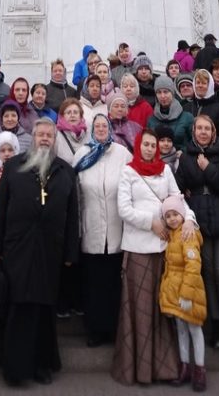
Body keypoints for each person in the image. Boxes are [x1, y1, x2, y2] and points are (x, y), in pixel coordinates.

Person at [0, 118, 79, 387]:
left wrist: (70, 252)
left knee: (44, 308)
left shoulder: (65, 171)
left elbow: (72, 215)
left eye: (49, 135)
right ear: (33, 137)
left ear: (54, 139)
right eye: (40, 134)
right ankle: (15, 368)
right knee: (18, 306)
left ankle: (41, 364)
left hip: (50, 250)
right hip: (17, 248)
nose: (45, 139)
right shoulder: (14, 166)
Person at [112, 129, 196, 385]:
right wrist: (151, 222)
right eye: (145, 144)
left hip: (163, 249)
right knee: (140, 309)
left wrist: (189, 219)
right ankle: (139, 368)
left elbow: (177, 199)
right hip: (138, 248)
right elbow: (124, 209)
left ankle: (165, 366)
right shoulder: (128, 172)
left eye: (153, 145)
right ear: (138, 146)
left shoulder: (165, 170)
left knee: (163, 308)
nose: (149, 148)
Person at [176, 114, 219, 353]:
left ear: (213, 132)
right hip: (198, 220)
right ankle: (217, 325)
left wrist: (208, 168)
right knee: (208, 274)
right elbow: (178, 186)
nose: (203, 132)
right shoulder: (186, 156)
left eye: (207, 128)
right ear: (193, 131)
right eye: (199, 128)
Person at [73, 115, 132, 346]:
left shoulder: (122, 153)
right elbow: (74, 191)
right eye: (96, 126)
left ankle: (113, 329)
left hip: (116, 228)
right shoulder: (82, 154)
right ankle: (94, 330)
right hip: (92, 227)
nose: (100, 129)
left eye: (104, 126)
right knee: (93, 284)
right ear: (91, 129)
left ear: (110, 129)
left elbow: (132, 184)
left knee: (114, 284)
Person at [159, 194, 207, 391]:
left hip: (189, 292)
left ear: (182, 214)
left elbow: (193, 266)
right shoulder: (171, 236)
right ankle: (184, 367)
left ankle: (200, 370)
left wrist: (186, 295)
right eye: (168, 216)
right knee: (181, 330)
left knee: (194, 329)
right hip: (175, 293)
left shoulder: (188, 234)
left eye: (175, 214)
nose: (172, 219)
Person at [147, 74, 193, 148]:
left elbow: (193, 142)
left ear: (172, 93)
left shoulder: (187, 117)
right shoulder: (151, 120)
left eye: (166, 92)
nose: (162, 96)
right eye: (159, 92)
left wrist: (183, 151)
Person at [190, 69, 219, 140]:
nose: (200, 86)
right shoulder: (187, 107)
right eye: (198, 83)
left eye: (204, 83)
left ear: (210, 85)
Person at [55, 97, 89, 165]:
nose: (72, 115)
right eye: (68, 113)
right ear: (62, 116)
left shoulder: (89, 134)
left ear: (80, 116)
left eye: (75, 112)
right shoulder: (56, 136)